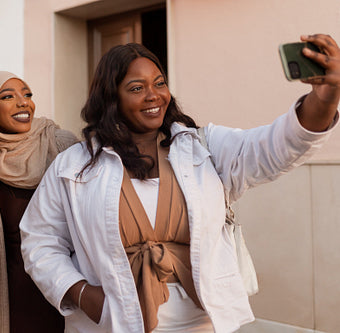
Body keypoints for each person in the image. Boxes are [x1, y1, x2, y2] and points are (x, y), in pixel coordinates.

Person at [19, 33, 340, 333]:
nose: (153, 95)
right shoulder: (75, 165)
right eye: (136, 88)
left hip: (200, 323)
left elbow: (274, 146)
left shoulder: (203, 147)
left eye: (159, 83)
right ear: (110, 97)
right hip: (114, 324)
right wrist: (82, 294)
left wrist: (324, 99)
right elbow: (40, 240)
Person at [0, 71, 78, 333]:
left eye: (27, 94)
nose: (23, 103)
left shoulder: (61, 145)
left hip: (63, 282)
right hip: (8, 288)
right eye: (8, 97)